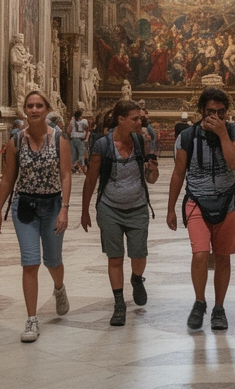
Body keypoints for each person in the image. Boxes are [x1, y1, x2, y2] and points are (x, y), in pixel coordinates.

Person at [0, 90, 72, 343]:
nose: (35, 110)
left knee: (53, 260)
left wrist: (65, 208)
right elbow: (7, 177)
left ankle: (59, 288)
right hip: (24, 206)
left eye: (39, 105)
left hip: (52, 205)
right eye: (30, 106)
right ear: (24, 110)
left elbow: (66, 175)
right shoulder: (16, 141)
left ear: (47, 109)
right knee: (30, 262)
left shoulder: (59, 139)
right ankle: (31, 319)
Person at [167, 87, 235, 331]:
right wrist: (170, 208)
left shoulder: (233, 132)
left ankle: (219, 307)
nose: (216, 117)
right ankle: (199, 301)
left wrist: (222, 133)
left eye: (221, 113)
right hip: (197, 201)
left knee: (222, 258)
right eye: (211, 112)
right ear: (201, 111)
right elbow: (179, 172)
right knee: (200, 254)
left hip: (227, 202)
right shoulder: (188, 137)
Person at [81, 99, 159, 326]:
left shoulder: (140, 140)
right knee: (115, 257)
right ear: (121, 120)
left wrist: (153, 171)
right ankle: (119, 304)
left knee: (139, 254)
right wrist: (85, 210)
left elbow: (150, 179)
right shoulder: (102, 146)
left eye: (140, 118)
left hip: (137, 207)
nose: (139, 121)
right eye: (135, 118)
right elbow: (91, 180)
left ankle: (136, 279)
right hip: (109, 208)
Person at [69, 110, 89, 174]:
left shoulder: (72, 121)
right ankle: (83, 169)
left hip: (72, 139)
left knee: (73, 155)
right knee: (81, 155)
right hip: (80, 140)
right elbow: (86, 129)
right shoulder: (84, 121)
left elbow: (69, 130)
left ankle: (71, 168)